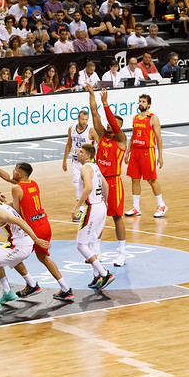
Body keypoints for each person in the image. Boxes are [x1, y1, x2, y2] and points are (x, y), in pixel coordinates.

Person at [0, 152, 73, 300]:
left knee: (31, 256)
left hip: (34, 227)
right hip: (44, 223)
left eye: (15, 169)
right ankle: (32, 284)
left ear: (21, 174)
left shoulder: (16, 188)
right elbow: (11, 185)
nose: (13, 171)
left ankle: (65, 288)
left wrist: (2, 204)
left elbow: (17, 211)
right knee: (16, 255)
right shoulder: (33, 183)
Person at [0, 188, 50, 313]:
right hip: (20, 243)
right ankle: (8, 292)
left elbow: (20, 221)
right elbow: (10, 208)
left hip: (20, 246)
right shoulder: (1, 206)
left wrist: (36, 239)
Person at [86, 85, 128, 266]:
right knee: (97, 215)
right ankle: (96, 250)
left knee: (116, 216)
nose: (110, 124)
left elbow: (109, 118)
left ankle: (122, 252)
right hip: (98, 181)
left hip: (113, 182)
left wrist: (106, 104)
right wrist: (92, 94)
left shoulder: (121, 139)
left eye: (114, 123)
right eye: (110, 123)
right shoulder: (103, 135)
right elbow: (94, 114)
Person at [73, 143, 115, 291]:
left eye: (81, 152)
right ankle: (97, 275)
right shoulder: (95, 166)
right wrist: (106, 202)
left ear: (88, 156)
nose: (78, 153)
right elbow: (106, 186)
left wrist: (77, 205)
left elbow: (89, 187)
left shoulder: (85, 168)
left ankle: (104, 273)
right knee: (90, 242)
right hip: (101, 206)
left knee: (81, 244)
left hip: (92, 207)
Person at [124, 94, 167, 218]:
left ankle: (161, 205)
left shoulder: (153, 118)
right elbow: (133, 136)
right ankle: (136, 207)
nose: (141, 103)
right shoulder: (135, 118)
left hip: (147, 152)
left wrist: (160, 156)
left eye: (143, 102)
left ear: (149, 105)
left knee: (151, 179)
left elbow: (158, 138)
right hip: (135, 152)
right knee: (134, 179)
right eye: (140, 101)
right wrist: (128, 152)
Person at [62, 109, 99, 204]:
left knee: (89, 183)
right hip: (76, 160)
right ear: (78, 118)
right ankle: (80, 206)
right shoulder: (72, 128)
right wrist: (64, 160)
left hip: (88, 162)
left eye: (86, 120)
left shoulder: (91, 130)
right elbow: (69, 144)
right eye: (82, 119)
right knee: (76, 183)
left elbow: (100, 144)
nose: (84, 122)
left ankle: (93, 201)